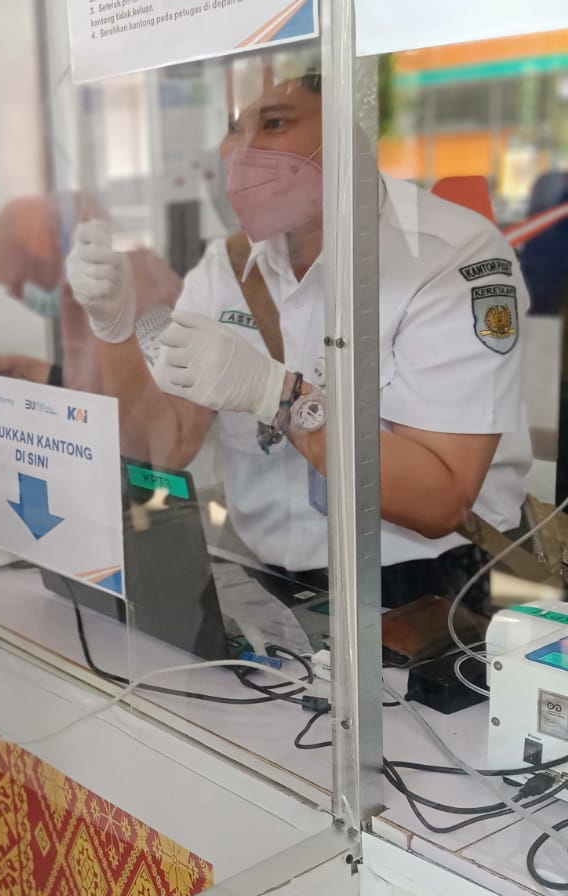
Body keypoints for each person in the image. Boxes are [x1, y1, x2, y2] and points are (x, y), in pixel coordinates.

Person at [67, 53, 531, 610]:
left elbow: (440, 501)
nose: (239, 152)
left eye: (274, 122)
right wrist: (114, 328)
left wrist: (278, 397)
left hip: (426, 591)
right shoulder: (230, 265)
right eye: (233, 127)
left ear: (347, 128)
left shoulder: (447, 255)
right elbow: (166, 448)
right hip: (271, 580)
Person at [0, 192, 181, 391]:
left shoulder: (123, 290)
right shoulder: (96, 294)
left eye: (21, 281)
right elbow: (93, 388)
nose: (17, 294)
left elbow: (132, 409)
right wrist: (23, 367)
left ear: (53, 252)